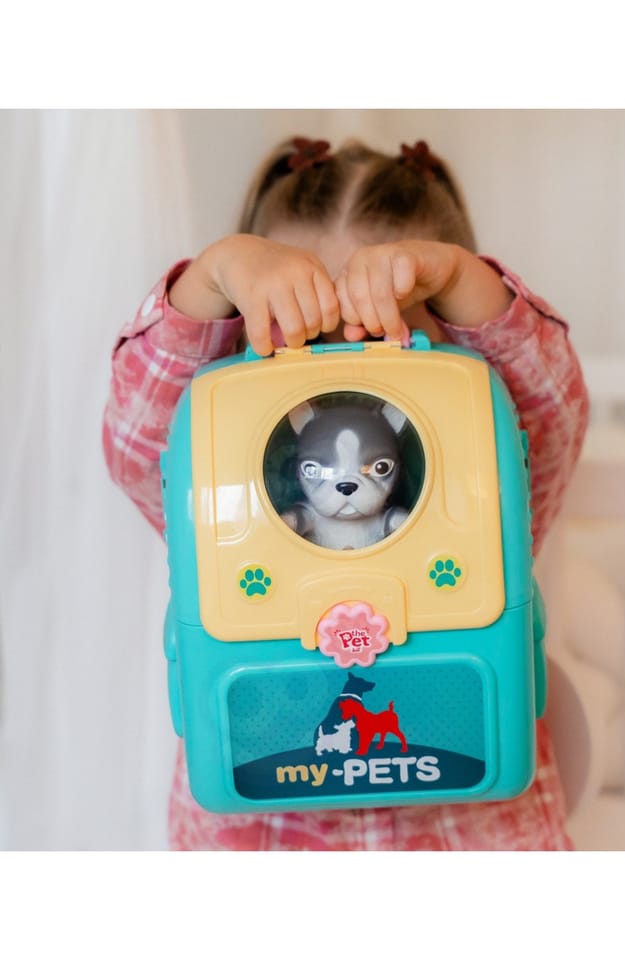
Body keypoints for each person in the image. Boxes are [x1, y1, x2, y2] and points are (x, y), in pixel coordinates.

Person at [103, 135, 589, 850]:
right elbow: (138, 440)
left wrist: (464, 281)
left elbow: (549, 407)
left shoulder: (494, 464)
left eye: (382, 327)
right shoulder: (208, 459)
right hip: (261, 838)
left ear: (458, 343)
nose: (340, 365)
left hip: (475, 838)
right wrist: (210, 282)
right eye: (300, 332)